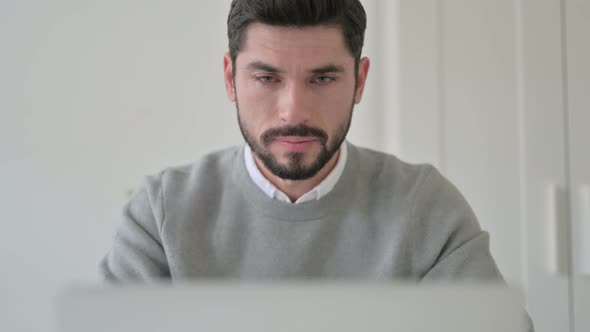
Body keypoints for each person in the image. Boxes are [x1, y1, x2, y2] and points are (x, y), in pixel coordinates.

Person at [100, 1, 532, 330]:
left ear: (360, 81)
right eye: (267, 78)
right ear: (231, 78)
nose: (293, 111)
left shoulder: (427, 208)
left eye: (322, 79)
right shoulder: (160, 214)